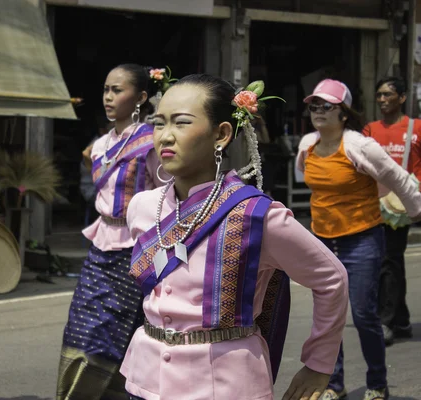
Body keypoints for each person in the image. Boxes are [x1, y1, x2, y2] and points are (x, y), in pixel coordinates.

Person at [121, 74, 349, 400]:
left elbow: (332, 278)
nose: (165, 136)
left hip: (225, 386)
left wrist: (319, 362)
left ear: (222, 134)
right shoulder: (142, 207)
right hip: (145, 381)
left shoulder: (258, 216)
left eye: (181, 123)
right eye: (159, 123)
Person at [297, 79, 421, 400]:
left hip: (362, 238)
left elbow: (397, 177)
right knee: (328, 317)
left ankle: (378, 382)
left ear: (344, 113)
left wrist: (415, 211)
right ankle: (334, 384)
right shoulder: (307, 145)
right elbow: (308, 179)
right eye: (315, 106)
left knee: (364, 314)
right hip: (323, 241)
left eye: (328, 106)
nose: (319, 112)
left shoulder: (360, 146)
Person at [57, 64, 167, 400]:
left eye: (117, 90)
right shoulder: (101, 144)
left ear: (142, 97)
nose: (108, 96)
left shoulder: (151, 143)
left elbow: (166, 196)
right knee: (81, 329)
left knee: (122, 334)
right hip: (99, 247)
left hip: (133, 251)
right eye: (106, 89)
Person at [362, 76, 420, 346]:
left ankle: (386, 320)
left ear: (402, 98)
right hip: (375, 204)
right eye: (379, 95)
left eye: (388, 94)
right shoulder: (370, 130)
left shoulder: (416, 128)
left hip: (402, 205)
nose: (383, 99)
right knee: (391, 260)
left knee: (388, 260)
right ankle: (402, 319)